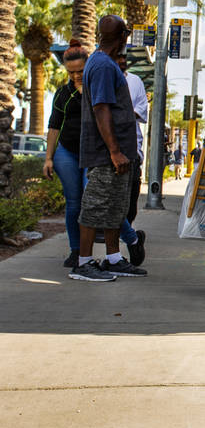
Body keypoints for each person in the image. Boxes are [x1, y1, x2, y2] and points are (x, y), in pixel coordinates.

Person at [70, 15, 148, 281]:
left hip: (119, 153)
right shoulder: (103, 65)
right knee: (94, 206)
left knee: (115, 207)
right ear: (123, 36)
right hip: (107, 154)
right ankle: (83, 263)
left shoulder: (106, 63)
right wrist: (114, 151)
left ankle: (113, 259)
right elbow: (101, 108)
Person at [42, 40, 89, 268]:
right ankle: (76, 250)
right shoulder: (63, 93)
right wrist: (49, 158)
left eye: (80, 71)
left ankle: (128, 239)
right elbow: (54, 126)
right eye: (71, 72)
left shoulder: (95, 89)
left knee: (92, 202)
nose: (76, 76)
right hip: (67, 153)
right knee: (73, 204)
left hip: (92, 154)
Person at [116, 52, 147, 265]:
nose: (121, 62)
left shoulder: (135, 81)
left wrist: (119, 114)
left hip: (132, 149)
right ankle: (127, 243)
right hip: (105, 150)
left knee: (129, 203)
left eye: (123, 59)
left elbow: (141, 111)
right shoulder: (103, 78)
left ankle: (130, 240)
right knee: (113, 202)